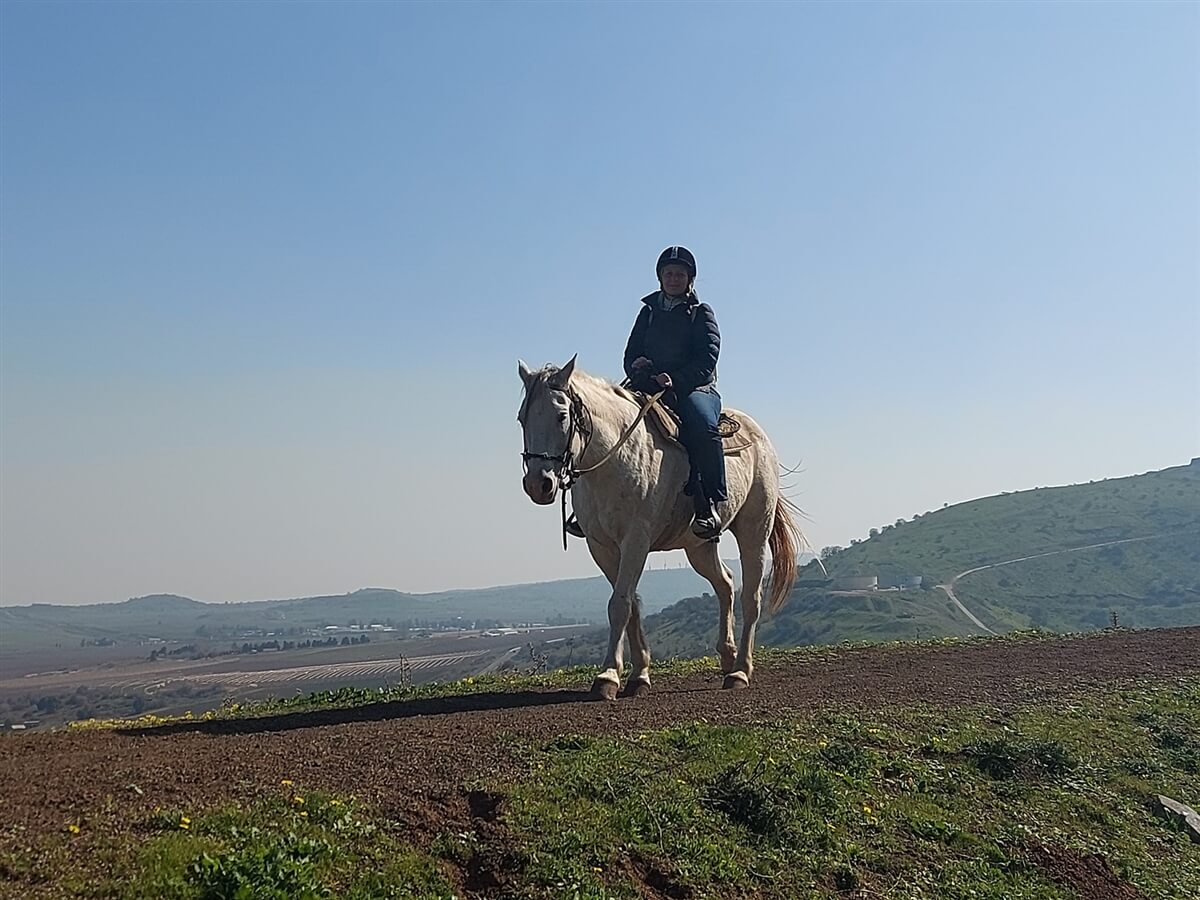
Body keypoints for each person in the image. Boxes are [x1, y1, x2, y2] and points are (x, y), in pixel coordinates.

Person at [566, 246, 726, 541]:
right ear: (660, 277)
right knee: (601, 421)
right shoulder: (648, 313)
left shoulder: (701, 313)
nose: (674, 279)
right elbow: (630, 353)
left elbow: (707, 359)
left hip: (694, 388)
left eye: (679, 274)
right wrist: (637, 367)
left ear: (690, 279)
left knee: (703, 427)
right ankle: (587, 508)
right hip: (649, 384)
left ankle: (710, 503)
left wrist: (675, 379)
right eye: (669, 274)